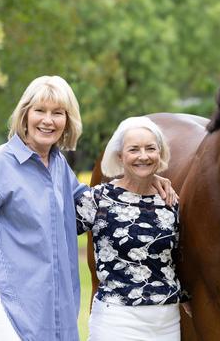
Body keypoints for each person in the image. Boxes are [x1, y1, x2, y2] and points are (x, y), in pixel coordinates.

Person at [0, 76, 175, 341]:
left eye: (58, 113)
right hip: (2, 298)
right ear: (25, 115)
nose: (48, 120)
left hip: (45, 302)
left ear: (67, 122)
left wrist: (145, 178)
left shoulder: (59, 168)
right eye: (40, 111)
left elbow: (95, 201)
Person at [76, 116, 186, 341]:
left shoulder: (169, 201)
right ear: (120, 156)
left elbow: (178, 259)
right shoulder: (98, 199)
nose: (143, 156)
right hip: (116, 319)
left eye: (150, 149)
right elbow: (53, 234)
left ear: (160, 153)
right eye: (134, 149)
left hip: (166, 322)